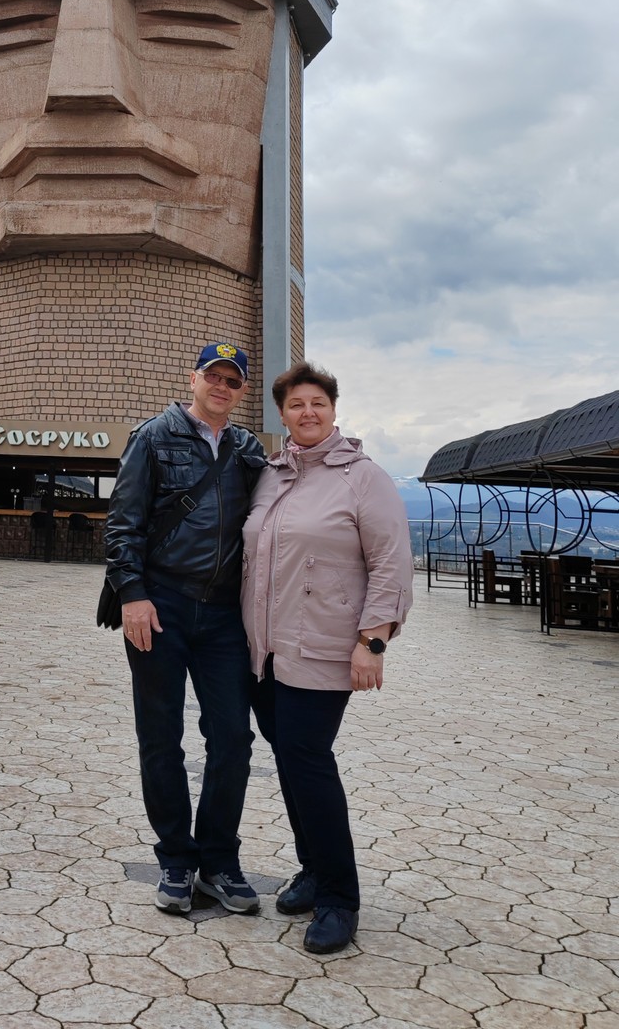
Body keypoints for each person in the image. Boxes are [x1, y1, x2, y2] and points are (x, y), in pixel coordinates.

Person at [241, 361, 413, 953]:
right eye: (295, 405)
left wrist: (373, 642)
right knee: (289, 760)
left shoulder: (364, 478)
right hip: (263, 651)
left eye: (317, 402)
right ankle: (312, 871)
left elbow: (391, 563)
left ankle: (340, 896)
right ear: (281, 414)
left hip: (324, 649)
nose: (307, 413)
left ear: (333, 409)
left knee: (308, 759)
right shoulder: (269, 475)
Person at [105, 343, 267, 915]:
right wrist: (133, 594)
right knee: (160, 736)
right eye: (213, 376)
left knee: (233, 739)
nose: (222, 386)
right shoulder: (153, 436)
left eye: (233, 380)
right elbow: (123, 522)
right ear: (194, 379)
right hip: (162, 604)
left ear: (242, 390)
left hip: (224, 614)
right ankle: (176, 858)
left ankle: (219, 860)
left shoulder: (249, 449)